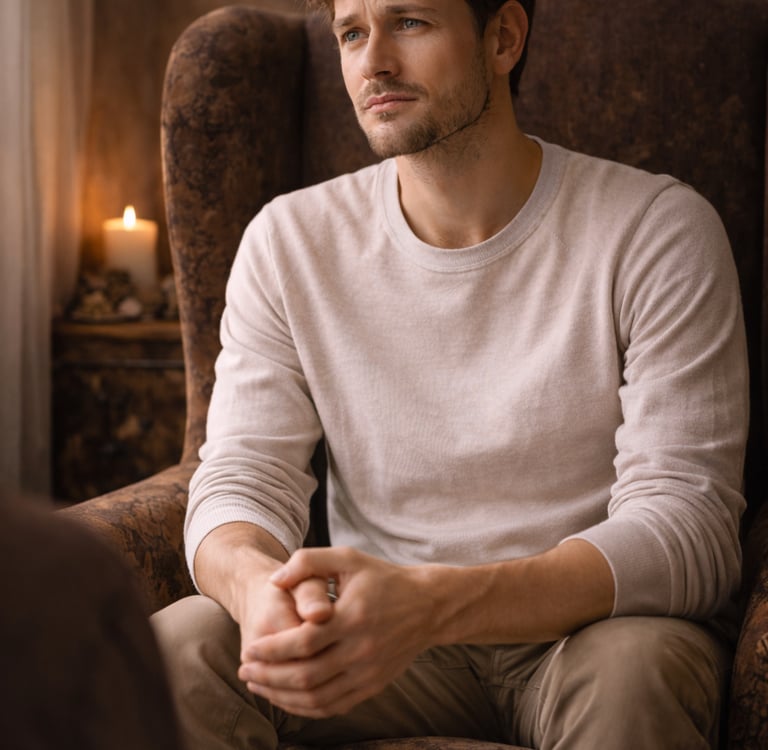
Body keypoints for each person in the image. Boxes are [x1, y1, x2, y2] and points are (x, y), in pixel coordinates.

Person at [151, 0, 749, 748]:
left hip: (591, 636)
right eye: (350, 33)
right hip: (377, 645)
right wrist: (254, 588)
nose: (372, 63)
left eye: (410, 22)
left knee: (635, 677)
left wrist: (434, 603)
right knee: (174, 651)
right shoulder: (289, 242)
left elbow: (687, 531)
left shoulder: (655, 229)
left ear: (503, 38)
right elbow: (241, 475)